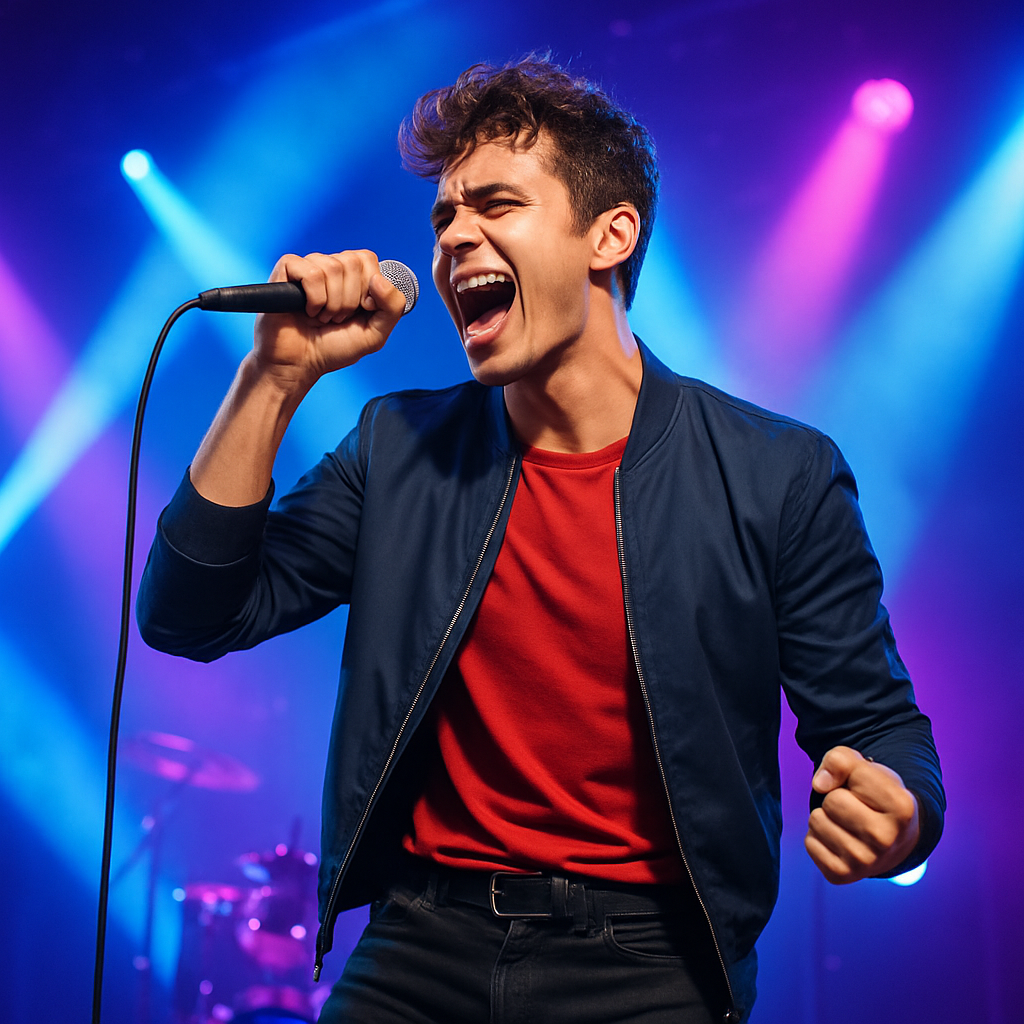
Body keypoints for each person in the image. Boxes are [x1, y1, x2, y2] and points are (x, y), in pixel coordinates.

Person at [137, 57, 944, 1024]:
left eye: (495, 205)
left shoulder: (779, 474)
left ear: (611, 235)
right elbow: (189, 615)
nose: (454, 237)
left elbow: (881, 725)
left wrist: (901, 815)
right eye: (443, 217)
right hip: (418, 945)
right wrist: (272, 379)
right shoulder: (398, 451)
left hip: (649, 964)